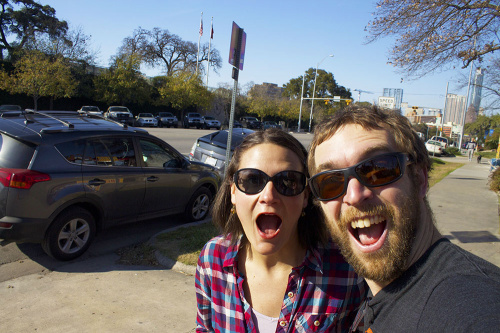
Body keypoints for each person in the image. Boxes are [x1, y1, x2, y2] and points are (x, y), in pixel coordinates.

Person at [307, 105, 500, 332]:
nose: (354, 195)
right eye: (330, 182)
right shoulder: (378, 296)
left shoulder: (469, 304)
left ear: (420, 179)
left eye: (378, 169)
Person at [195, 128, 366, 333]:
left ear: (305, 197)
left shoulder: (347, 268)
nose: (268, 196)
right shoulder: (211, 259)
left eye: (288, 182)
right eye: (252, 180)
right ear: (233, 192)